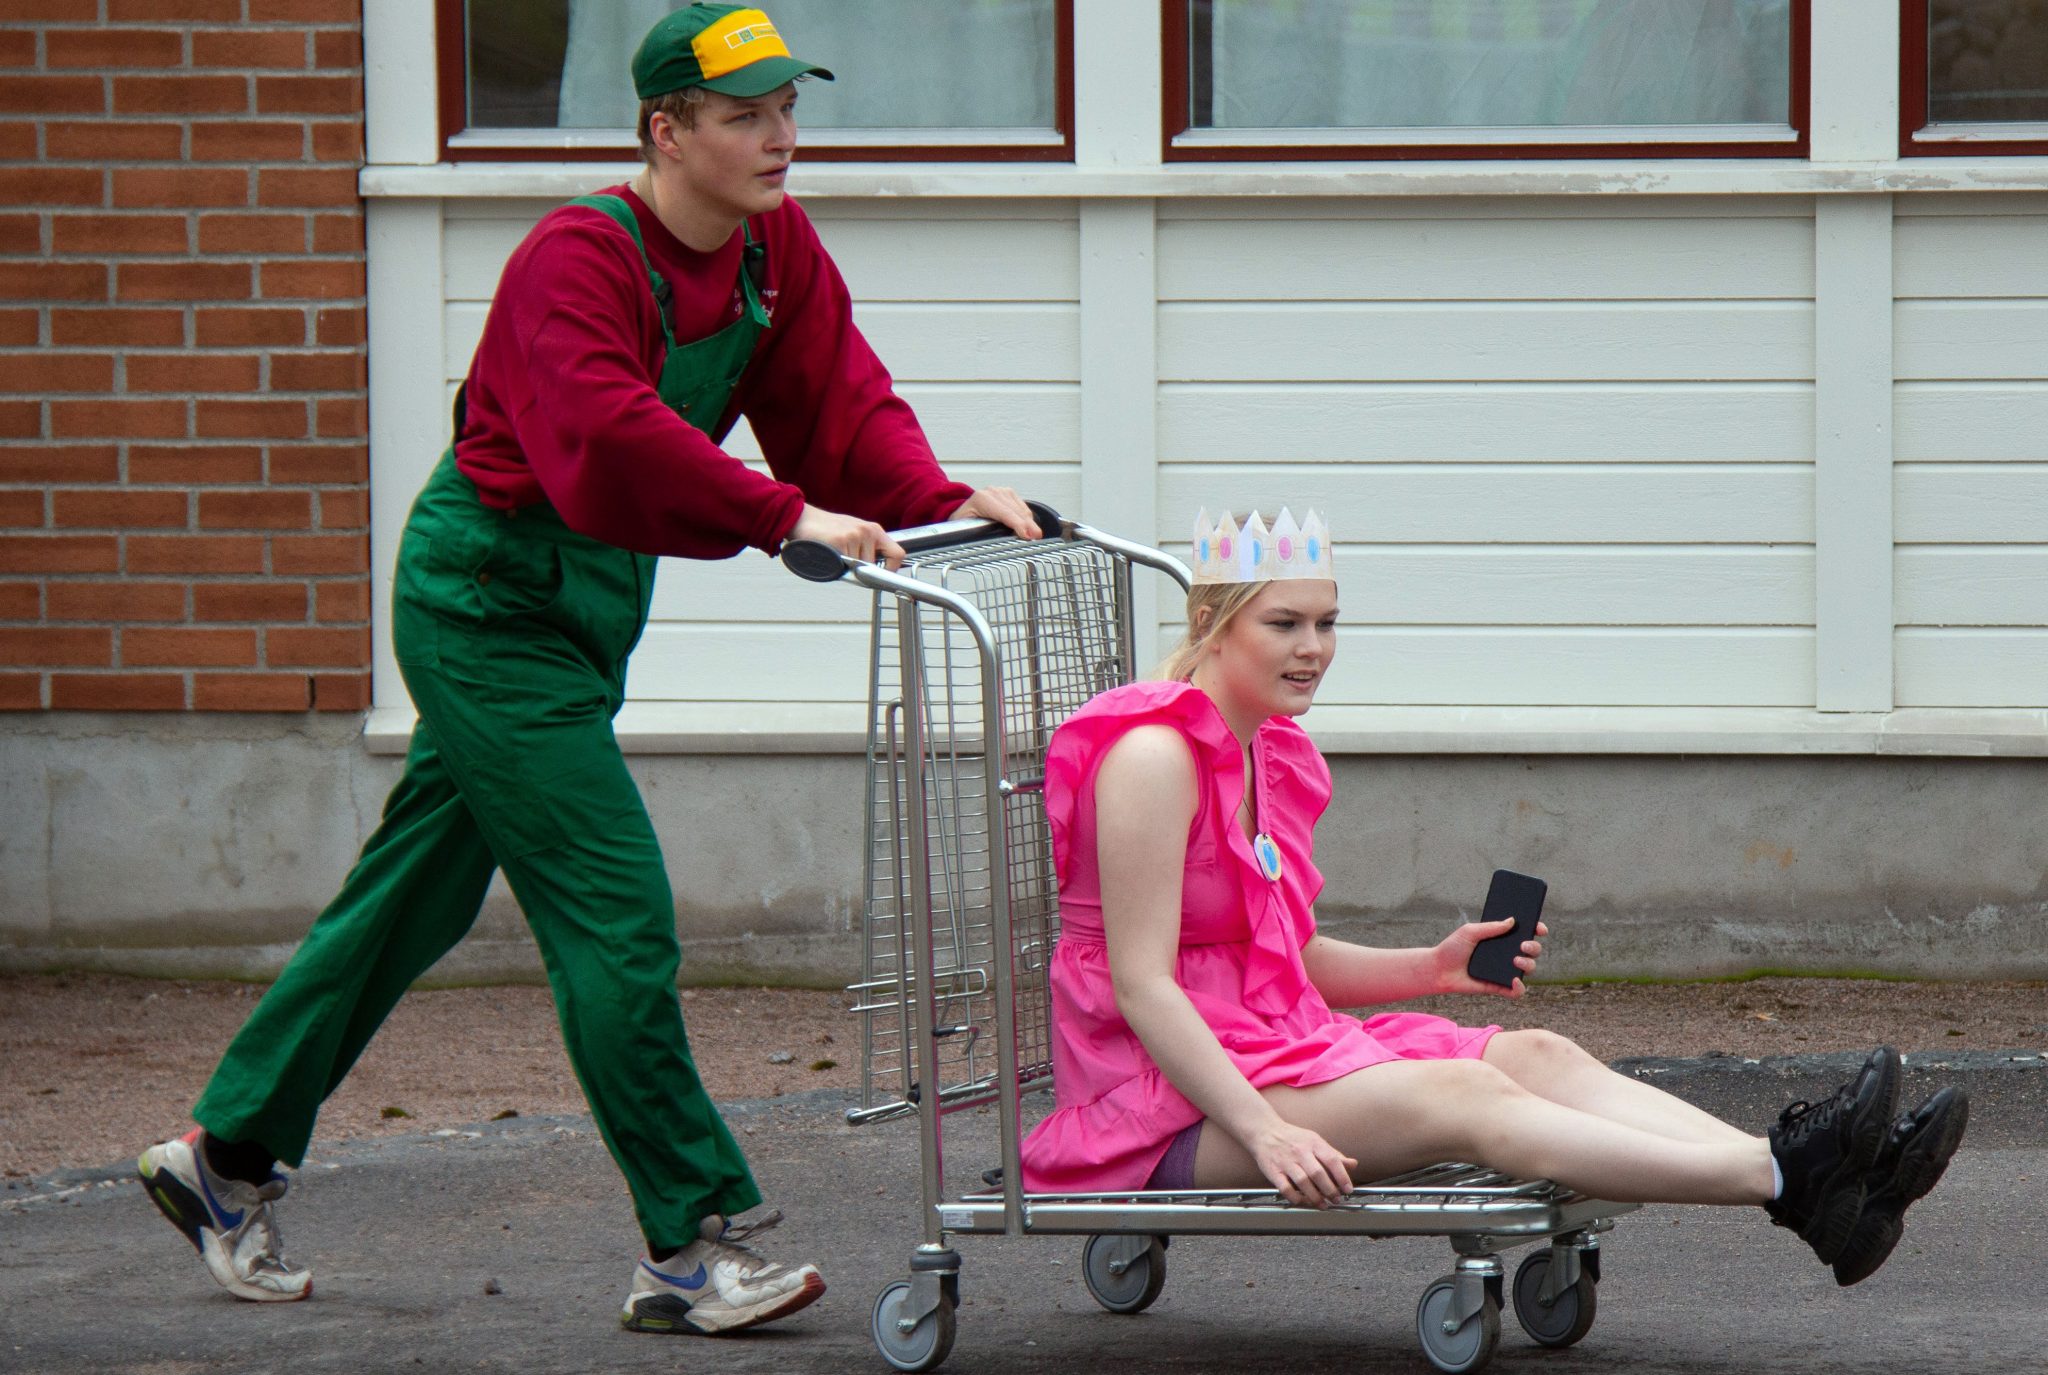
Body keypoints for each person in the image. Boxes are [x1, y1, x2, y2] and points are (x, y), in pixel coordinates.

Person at [136, 3, 1039, 1337]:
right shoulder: (576, 257)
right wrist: (777, 513)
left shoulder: (771, 251)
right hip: (486, 598)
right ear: (665, 131)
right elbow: (607, 433)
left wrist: (939, 496)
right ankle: (688, 1241)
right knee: (615, 914)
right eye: (743, 117)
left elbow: (838, 405)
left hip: (588, 600)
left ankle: (224, 1155)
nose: (780, 138)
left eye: (788, 109)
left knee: (414, 895)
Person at [1018, 508, 1968, 1289]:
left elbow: (1279, 956)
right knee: (1465, 1092)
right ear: (1213, 623)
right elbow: (1145, 985)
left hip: (1260, 1045)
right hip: (1156, 1102)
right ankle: (1791, 1174)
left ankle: (1824, 1178)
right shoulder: (1153, 757)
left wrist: (1433, 967)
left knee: (1538, 1052)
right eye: (1285, 624)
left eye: (1328, 622)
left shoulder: (1264, 748)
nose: (1314, 649)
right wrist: (1264, 1129)